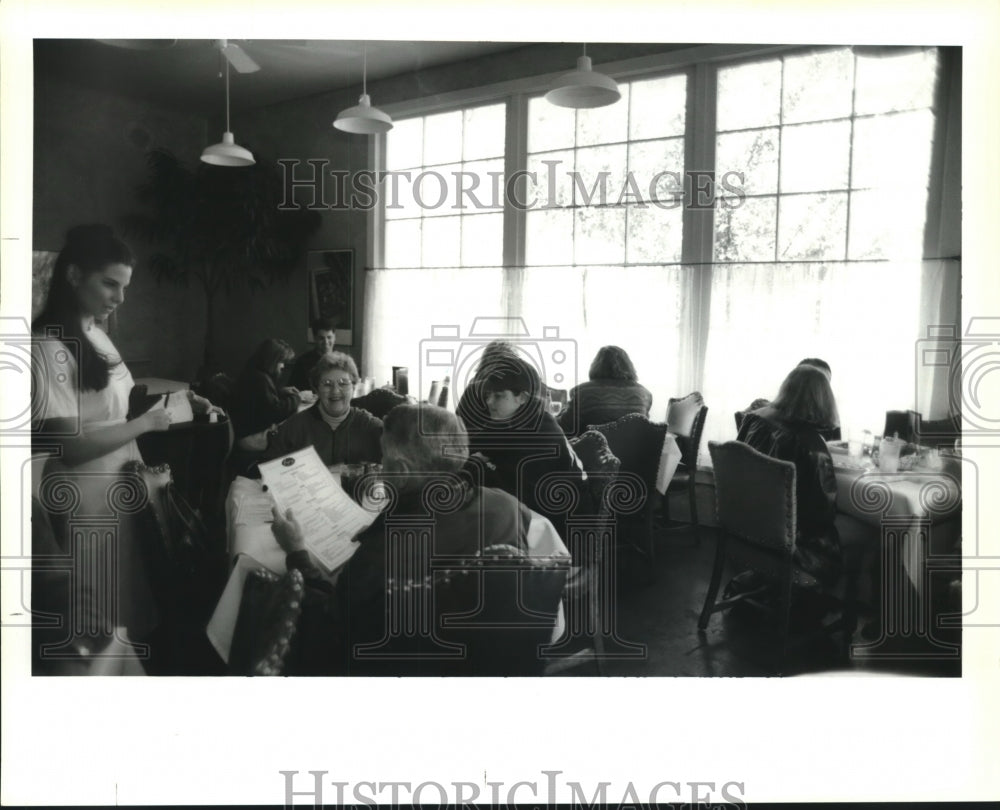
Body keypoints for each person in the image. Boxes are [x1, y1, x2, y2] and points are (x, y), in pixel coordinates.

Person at [270, 404, 570, 675]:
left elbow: (330, 626)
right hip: (491, 663)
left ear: (400, 470)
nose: (380, 468)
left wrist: (297, 551)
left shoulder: (380, 556)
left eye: (383, 459)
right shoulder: (509, 507)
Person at [30, 224, 217, 650]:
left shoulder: (97, 334)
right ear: (74, 276)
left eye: (125, 286)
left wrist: (183, 400)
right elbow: (70, 447)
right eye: (110, 284)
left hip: (119, 481)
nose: (119, 297)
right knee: (97, 602)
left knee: (127, 593)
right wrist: (145, 425)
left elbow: (115, 409)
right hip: (86, 492)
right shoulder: (47, 346)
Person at [736, 364, 842, 589]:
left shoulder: (753, 419)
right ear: (824, 399)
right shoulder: (812, 446)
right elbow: (821, 515)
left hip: (742, 524)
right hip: (784, 539)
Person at [463, 362, 584, 544]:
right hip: (528, 516)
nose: (489, 402)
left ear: (522, 398)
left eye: (499, 396)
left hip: (558, 537)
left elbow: (513, 491)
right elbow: (467, 450)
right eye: (488, 395)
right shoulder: (508, 422)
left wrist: (477, 464)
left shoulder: (541, 432)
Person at [262, 352, 383, 466]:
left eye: (343, 383)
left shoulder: (369, 426)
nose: (335, 391)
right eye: (327, 384)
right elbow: (269, 470)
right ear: (316, 389)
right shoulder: (294, 428)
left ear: (354, 386)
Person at [558, 345, 653, 437]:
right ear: (629, 366)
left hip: (593, 452)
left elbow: (563, 430)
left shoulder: (583, 392)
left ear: (596, 365)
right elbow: (644, 430)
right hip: (634, 453)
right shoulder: (645, 394)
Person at [229, 338, 307, 449]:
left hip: (244, 431)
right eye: (282, 362)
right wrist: (298, 397)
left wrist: (280, 392)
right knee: (296, 438)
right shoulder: (261, 379)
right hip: (251, 436)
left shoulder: (253, 370)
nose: (283, 366)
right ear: (273, 360)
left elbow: (260, 400)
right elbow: (277, 412)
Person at [287, 318, 336, 391]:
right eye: (321, 338)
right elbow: (292, 389)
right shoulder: (303, 362)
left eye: (329, 337)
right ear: (315, 339)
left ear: (334, 338)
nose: (326, 342)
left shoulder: (342, 360)